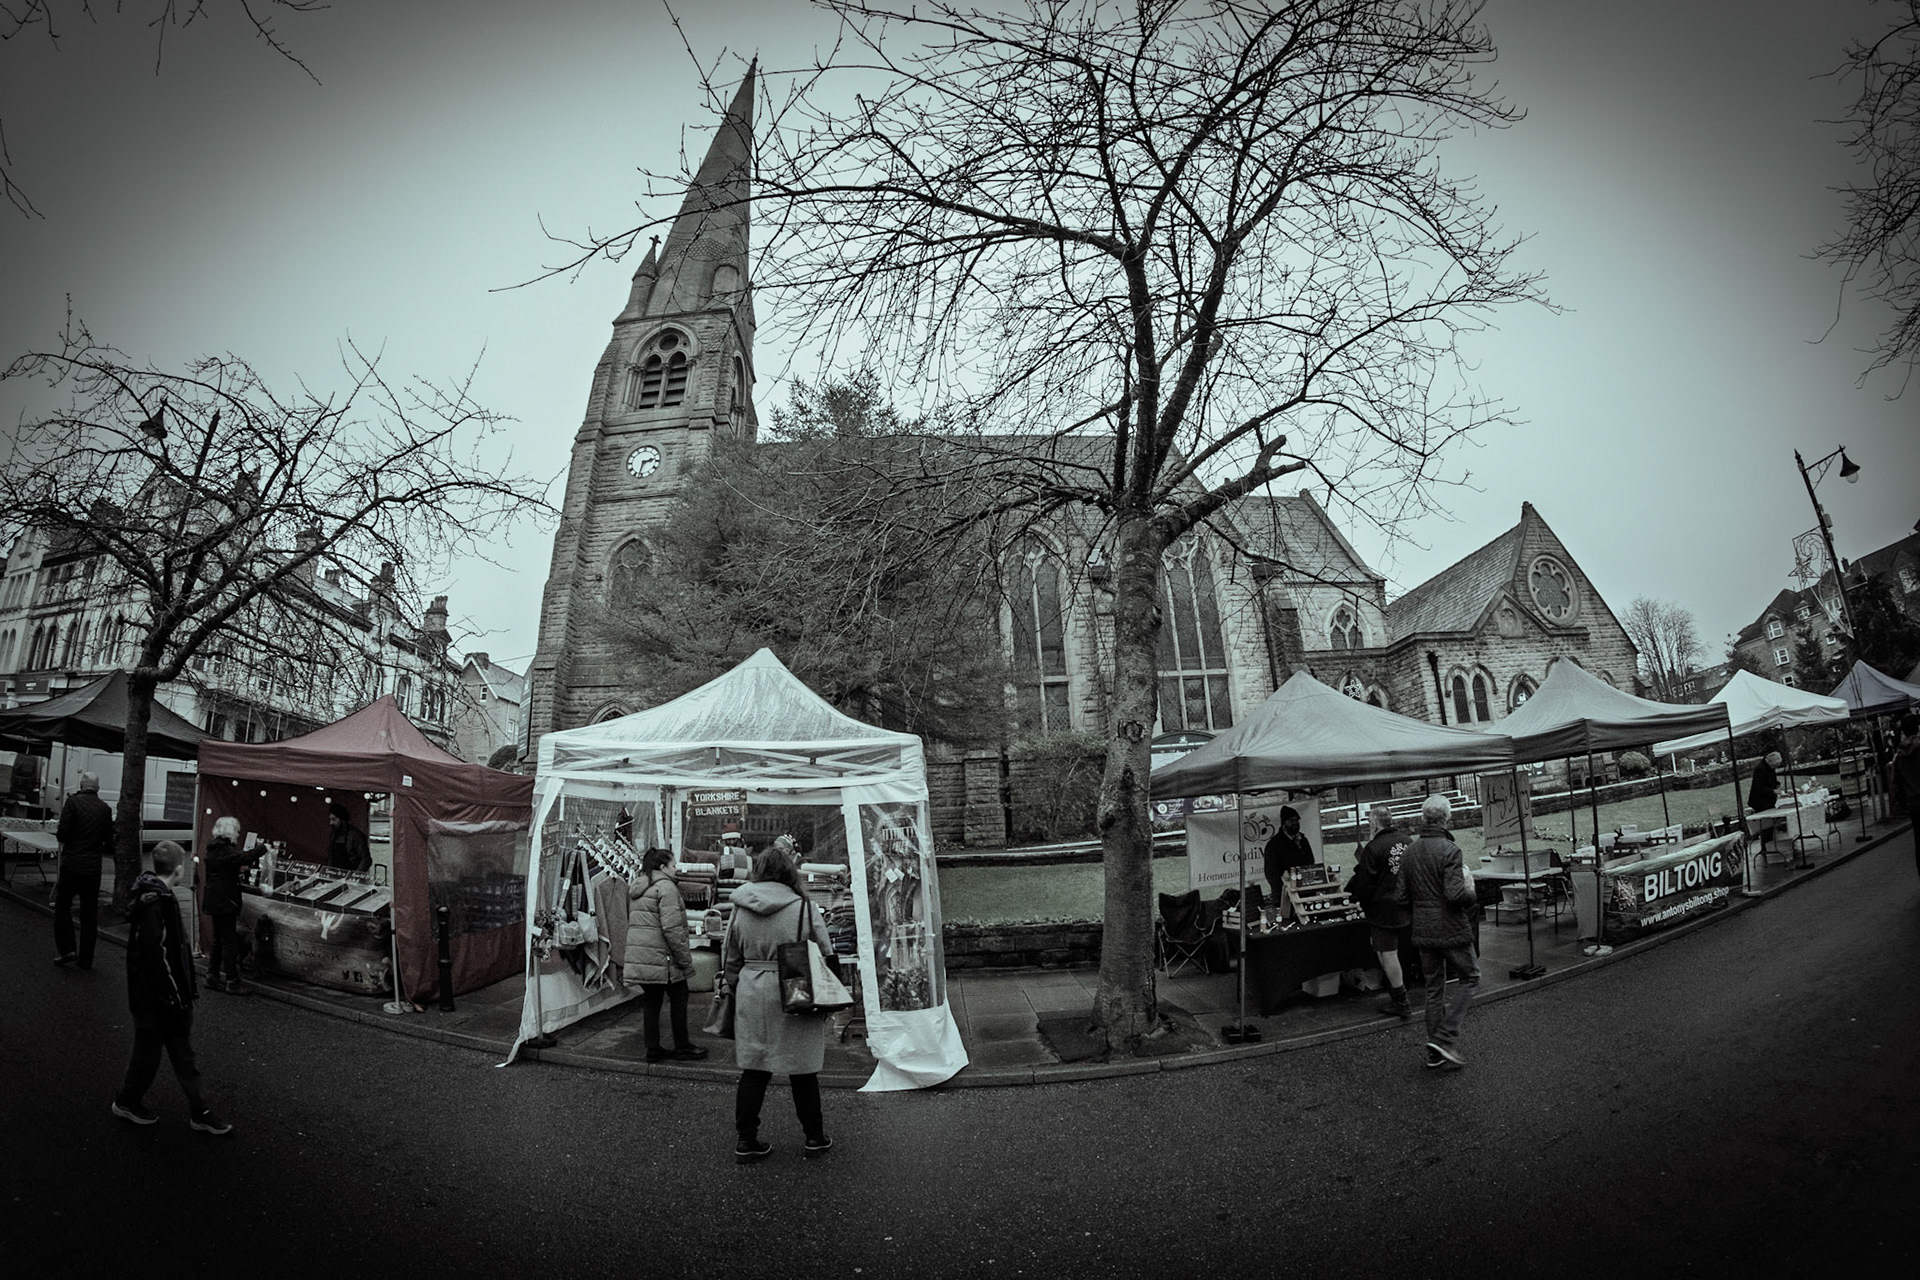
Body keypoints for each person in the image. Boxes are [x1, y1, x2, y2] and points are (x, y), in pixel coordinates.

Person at [723, 845, 836, 1162]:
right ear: (789, 872)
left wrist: (737, 983)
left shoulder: (740, 905)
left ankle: (746, 1140)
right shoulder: (802, 906)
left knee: (754, 1068)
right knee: (802, 1068)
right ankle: (814, 1137)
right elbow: (824, 951)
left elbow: (730, 956)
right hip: (795, 985)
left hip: (751, 987)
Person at [111, 842, 231, 1134]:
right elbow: (160, 956)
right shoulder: (158, 903)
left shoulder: (153, 897)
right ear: (180, 869)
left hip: (151, 996)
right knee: (171, 1055)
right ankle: (195, 1111)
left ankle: (134, 1102)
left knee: (157, 1054)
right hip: (161, 998)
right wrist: (178, 998)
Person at [1400, 794, 1479, 1070]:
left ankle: (1435, 1053)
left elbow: (1400, 897)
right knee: (1471, 976)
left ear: (1424, 818)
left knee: (1434, 989)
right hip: (1449, 927)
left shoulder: (1409, 852)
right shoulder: (1449, 850)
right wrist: (1471, 890)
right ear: (1446, 818)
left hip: (1422, 929)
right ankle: (1445, 1038)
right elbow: (1455, 894)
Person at [625, 847, 709, 1064]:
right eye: (673, 865)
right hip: (664, 958)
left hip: (644, 956)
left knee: (652, 1001)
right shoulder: (666, 888)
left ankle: (653, 1049)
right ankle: (682, 1046)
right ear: (662, 867)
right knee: (679, 996)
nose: (676, 869)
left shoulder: (639, 886)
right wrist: (684, 959)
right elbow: (672, 929)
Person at [1348, 804, 1415, 1019]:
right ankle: (1402, 991)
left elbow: (1365, 883)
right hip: (1406, 905)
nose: (1369, 826)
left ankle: (1401, 1000)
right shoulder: (1408, 842)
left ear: (1375, 823)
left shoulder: (1374, 847)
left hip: (1383, 909)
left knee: (1388, 954)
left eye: (1369, 822)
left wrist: (1361, 903)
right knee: (1393, 952)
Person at [53, 771, 114, 970]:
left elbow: (62, 832)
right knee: (89, 914)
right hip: (93, 868)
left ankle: (68, 948)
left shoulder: (72, 803)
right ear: (97, 788)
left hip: (72, 864)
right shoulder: (105, 809)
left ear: (81, 785)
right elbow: (109, 842)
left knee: (63, 906)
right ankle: (86, 959)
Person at [202, 817, 262, 993]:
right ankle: (232, 980)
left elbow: (225, 868)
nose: (237, 834)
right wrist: (265, 848)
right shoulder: (225, 850)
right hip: (225, 901)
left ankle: (212, 976)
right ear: (229, 831)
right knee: (229, 941)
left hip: (214, 900)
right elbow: (246, 856)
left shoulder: (213, 849)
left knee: (218, 940)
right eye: (236, 830)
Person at [1262, 804, 1316, 896]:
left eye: (1297, 820)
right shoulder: (1274, 845)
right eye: (1291, 821)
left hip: (1307, 891)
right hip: (1286, 894)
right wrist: (1283, 889)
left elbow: (1311, 862)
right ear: (1284, 823)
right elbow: (1271, 873)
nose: (1295, 823)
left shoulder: (1303, 840)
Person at [327, 803, 373, 875]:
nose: (331, 823)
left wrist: (355, 876)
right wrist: (328, 872)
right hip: (335, 876)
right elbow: (331, 857)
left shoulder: (356, 836)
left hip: (351, 877)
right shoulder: (333, 835)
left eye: (334, 820)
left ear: (343, 820)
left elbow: (366, 860)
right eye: (330, 819)